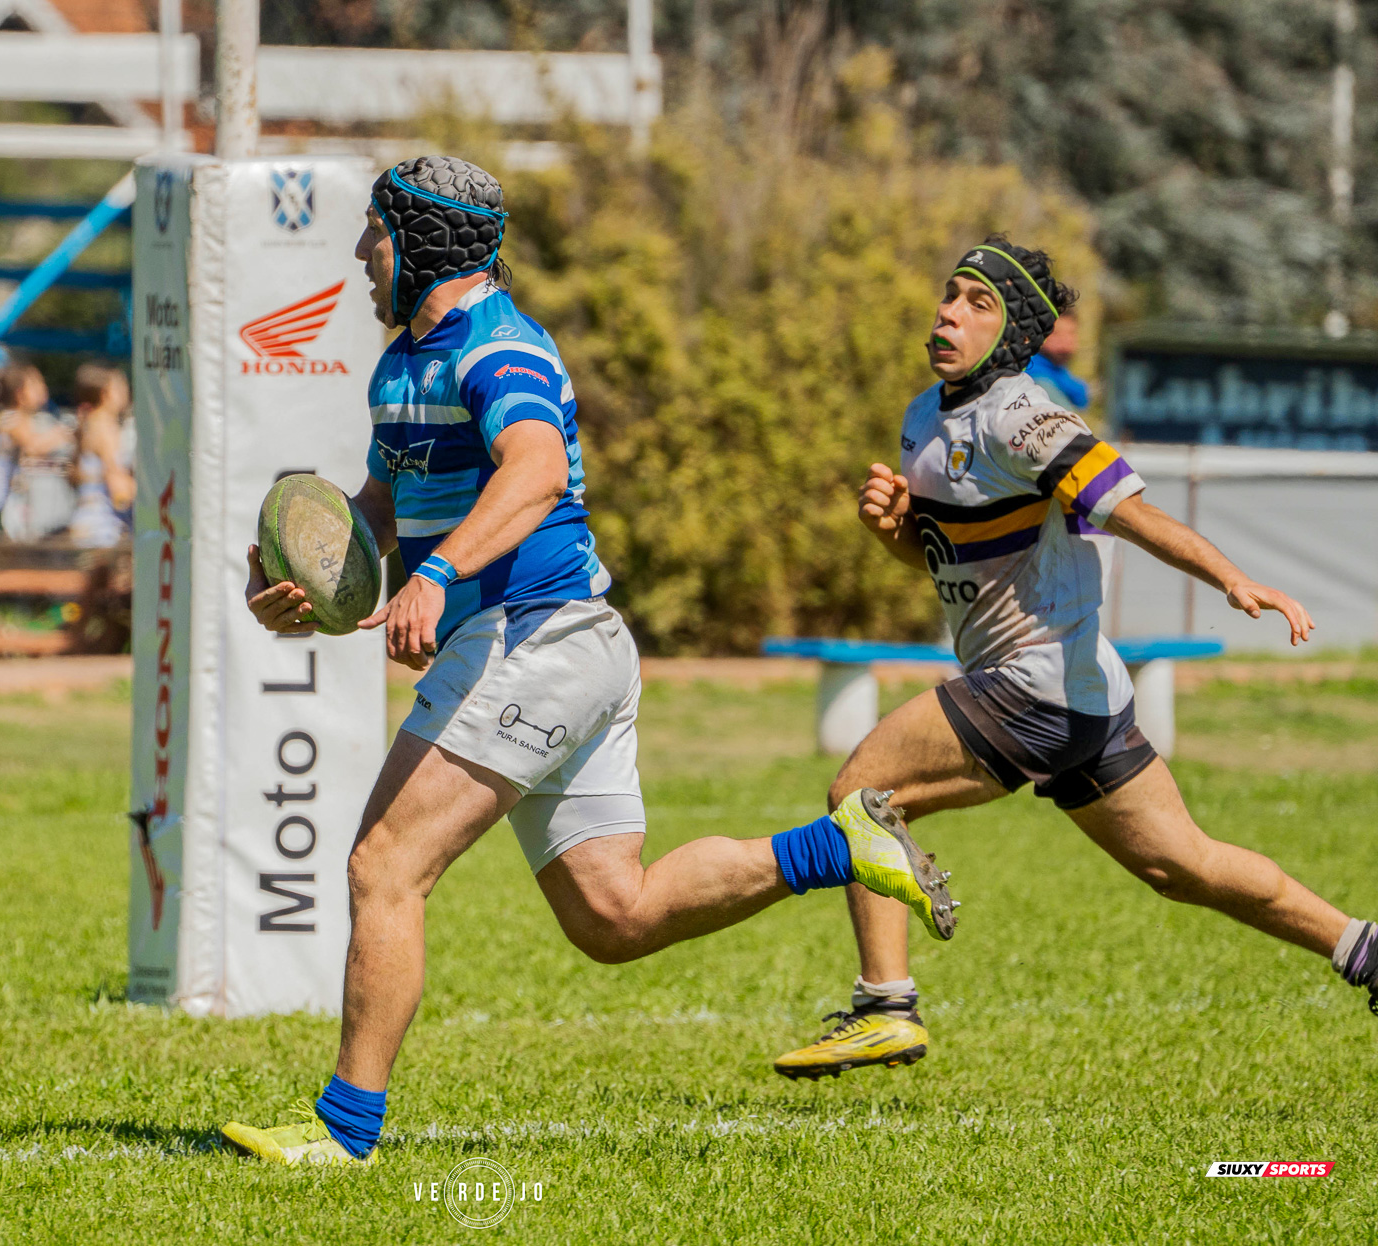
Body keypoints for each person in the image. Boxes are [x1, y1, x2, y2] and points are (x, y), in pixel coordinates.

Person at [219, 156, 960, 1166]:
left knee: (383, 865)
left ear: (425, 241)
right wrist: (315, 589)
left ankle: (344, 1133)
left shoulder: (499, 347)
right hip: (567, 644)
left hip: (532, 638)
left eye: (375, 235)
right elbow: (381, 515)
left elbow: (530, 471)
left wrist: (438, 580)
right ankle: (842, 849)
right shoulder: (404, 365)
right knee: (616, 915)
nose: (360, 254)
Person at [771, 236, 1378, 1082]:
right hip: (1080, 692)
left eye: (978, 303)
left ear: (1014, 330)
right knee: (1183, 864)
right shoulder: (924, 416)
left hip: (1035, 683)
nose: (949, 312)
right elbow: (948, 561)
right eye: (949, 294)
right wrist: (894, 533)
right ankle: (1364, 947)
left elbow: (1133, 513)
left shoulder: (1025, 415)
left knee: (863, 795)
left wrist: (1235, 580)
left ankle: (886, 1007)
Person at [0, 363, 71, 537]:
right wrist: (65, 432)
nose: (43, 389)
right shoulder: (10, 418)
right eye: (37, 385)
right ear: (20, 394)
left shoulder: (13, 417)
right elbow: (33, 447)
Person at [67, 363, 134, 548]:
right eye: (121, 386)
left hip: (87, 522)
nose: (126, 391)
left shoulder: (90, 423)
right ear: (105, 394)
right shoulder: (106, 428)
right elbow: (118, 489)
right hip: (102, 527)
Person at [1023, 304, 1089, 411]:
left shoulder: (1063, 377)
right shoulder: (1036, 382)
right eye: (1056, 334)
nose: (1066, 341)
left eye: (1071, 333)